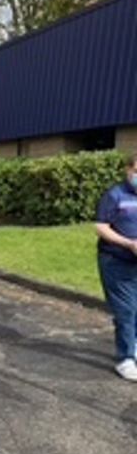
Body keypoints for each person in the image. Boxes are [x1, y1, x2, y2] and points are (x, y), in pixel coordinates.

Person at [96, 152, 137, 381]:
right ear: (128, 170)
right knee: (126, 310)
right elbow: (101, 227)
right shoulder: (115, 195)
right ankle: (125, 359)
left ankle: (134, 347)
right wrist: (128, 243)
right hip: (116, 261)